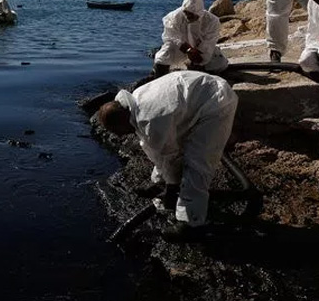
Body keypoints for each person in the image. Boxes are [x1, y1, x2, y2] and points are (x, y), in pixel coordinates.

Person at [97, 71, 238, 241]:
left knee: (197, 162)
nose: (119, 136)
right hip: (199, 94)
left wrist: (172, 189)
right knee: (160, 145)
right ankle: (160, 183)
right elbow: (155, 148)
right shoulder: (135, 103)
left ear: (121, 121)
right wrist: (166, 182)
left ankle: (191, 222)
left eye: (117, 131)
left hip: (216, 103)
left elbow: (170, 157)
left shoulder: (150, 119)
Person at [151, 0, 228, 78]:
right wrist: (185, 47)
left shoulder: (211, 21)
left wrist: (199, 54)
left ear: (198, 12)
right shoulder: (175, 16)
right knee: (165, 53)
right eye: (186, 13)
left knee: (219, 63)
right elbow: (170, 35)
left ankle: (198, 68)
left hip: (200, 50)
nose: (188, 16)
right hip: (181, 48)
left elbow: (209, 41)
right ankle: (158, 74)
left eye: (191, 14)